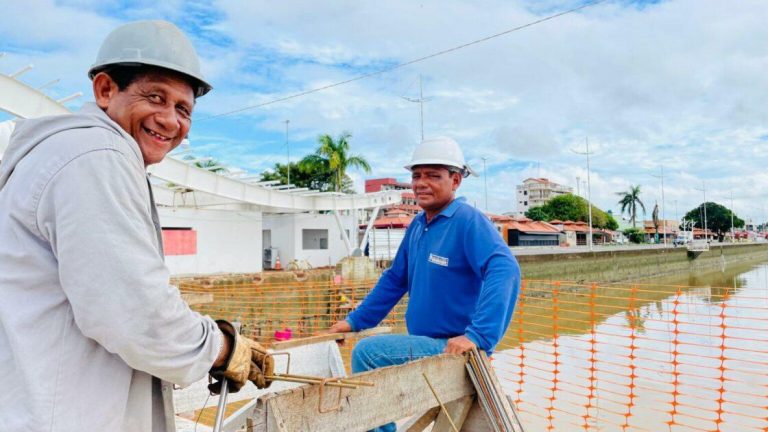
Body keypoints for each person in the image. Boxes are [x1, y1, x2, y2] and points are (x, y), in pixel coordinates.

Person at [0, 21, 270, 432]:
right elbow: (134, 313)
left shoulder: (67, 153)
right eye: (155, 97)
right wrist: (221, 347)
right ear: (106, 90)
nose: (169, 120)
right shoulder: (96, 157)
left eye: (183, 110)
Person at [326, 136, 520, 432]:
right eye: (416, 175)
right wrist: (354, 321)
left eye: (433, 175)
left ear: (455, 180)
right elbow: (395, 279)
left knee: (366, 354)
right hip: (428, 342)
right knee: (374, 360)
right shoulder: (418, 226)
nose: (421, 183)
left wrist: (478, 336)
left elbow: (505, 268)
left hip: (452, 346)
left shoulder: (467, 220)